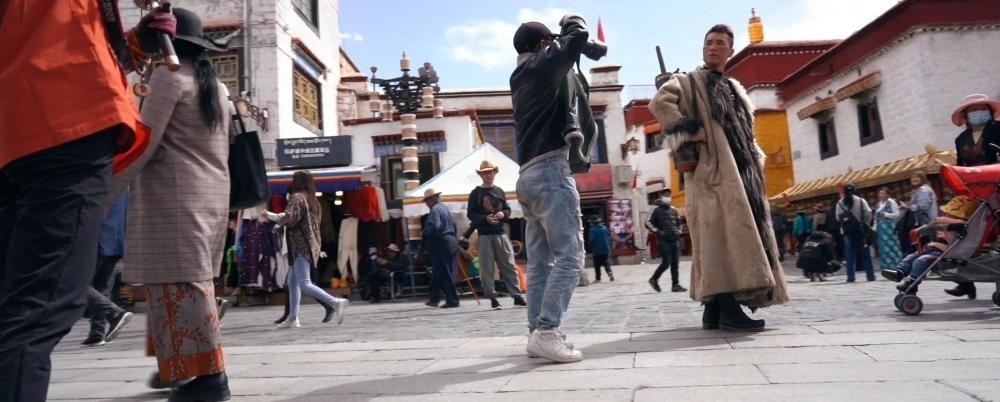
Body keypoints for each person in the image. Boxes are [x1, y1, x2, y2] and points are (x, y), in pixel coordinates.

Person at [0, 2, 174, 400]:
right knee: (36, 309)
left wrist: (133, 45)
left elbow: (49, 39)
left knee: (15, 302)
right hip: (68, 124)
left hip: (15, 129)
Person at [107, 8, 241, 399]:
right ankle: (176, 368)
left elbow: (143, 142)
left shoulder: (168, 77)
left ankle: (211, 378)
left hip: (175, 195)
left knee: (182, 284)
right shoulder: (214, 85)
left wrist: (104, 194)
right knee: (176, 283)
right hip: (211, 193)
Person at [649, 24, 788, 332]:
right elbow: (660, 102)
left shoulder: (734, 89)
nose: (712, 47)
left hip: (740, 176)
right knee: (717, 238)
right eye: (708, 42)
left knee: (724, 238)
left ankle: (712, 311)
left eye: (719, 43)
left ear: (730, 51)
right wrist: (687, 129)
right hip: (711, 175)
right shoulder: (689, 80)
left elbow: (744, 132)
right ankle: (728, 310)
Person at [510, 14, 596, 362]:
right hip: (550, 173)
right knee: (571, 256)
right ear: (543, 45)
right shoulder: (543, 66)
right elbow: (578, 36)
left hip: (527, 176)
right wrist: (570, 21)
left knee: (540, 263)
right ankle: (547, 331)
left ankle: (537, 333)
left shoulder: (519, 76)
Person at [263, 171, 349, 327]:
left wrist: (270, 216)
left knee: (304, 283)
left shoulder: (297, 198)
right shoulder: (313, 200)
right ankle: (292, 318)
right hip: (310, 243)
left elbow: (290, 219)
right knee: (292, 282)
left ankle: (335, 302)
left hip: (299, 245)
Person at [946, 94, 1000, 299]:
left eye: (982, 108)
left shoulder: (998, 129)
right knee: (957, 229)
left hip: (996, 184)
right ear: (966, 115)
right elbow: (960, 166)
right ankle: (964, 282)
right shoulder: (961, 139)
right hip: (972, 188)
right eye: (973, 110)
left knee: (992, 233)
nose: (979, 112)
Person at [881, 195, 980, 294]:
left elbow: (959, 223)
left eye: (950, 214)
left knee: (920, 261)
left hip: (946, 252)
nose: (947, 215)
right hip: (935, 249)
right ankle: (900, 272)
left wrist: (940, 221)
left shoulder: (963, 224)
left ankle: (911, 283)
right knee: (911, 257)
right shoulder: (952, 223)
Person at [466, 160, 526, 310]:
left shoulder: (499, 191)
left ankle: (516, 295)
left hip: (501, 233)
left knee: (509, 265)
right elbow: (470, 214)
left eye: (490, 172)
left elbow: (507, 210)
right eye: (485, 173)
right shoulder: (475, 193)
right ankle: (492, 298)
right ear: (481, 175)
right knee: (487, 268)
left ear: (494, 173)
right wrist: (484, 219)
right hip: (484, 235)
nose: (488, 175)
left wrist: (503, 214)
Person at [81, 189, 134, 347]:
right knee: (101, 288)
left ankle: (114, 313)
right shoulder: (123, 185)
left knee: (75, 283)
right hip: (116, 242)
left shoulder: (99, 182)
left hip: (98, 239)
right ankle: (97, 334)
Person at [421, 189, 461, 308]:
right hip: (451, 240)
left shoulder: (435, 210)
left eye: (427, 201)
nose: (426, 204)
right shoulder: (446, 209)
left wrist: (425, 233)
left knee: (443, 272)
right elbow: (454, 225)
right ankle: (434, 298)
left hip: (440, 242)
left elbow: (435, 226)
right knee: (439, 271)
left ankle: (452, 300)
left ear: (432, 199)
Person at [647, 191, 686, 292]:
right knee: (666, 263)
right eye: (665, 195)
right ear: (661, 196)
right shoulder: (655, 209)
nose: (667, 197)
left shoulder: (674, 209)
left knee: (675, 263)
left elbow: (679, 222)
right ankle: (654, 279)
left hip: (675, 239)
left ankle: (675, 285)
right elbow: (648, 222)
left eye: (669, 195)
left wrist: (679, 231)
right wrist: (659, 232)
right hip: (664, 240)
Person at [836, 183, 875, 282]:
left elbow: (838, 217)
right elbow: (868, 213)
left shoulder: (840, 203)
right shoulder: (861, 200)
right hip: (861, 230)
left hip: (848, 232)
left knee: (850, 256)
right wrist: (865, 223)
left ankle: (851, 276)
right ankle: (870, 276)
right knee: (866, 254)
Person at [873, 187, 903, 270]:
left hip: (889, 227)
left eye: (883, 193)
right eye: (880, 194)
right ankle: (886, 265)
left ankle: (896, 264)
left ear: (888, 194)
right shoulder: (878, 204)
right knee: (882, 247)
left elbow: (897, 214)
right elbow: (875, 217)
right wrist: (874, 228)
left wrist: (887, 214)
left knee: (892, 246)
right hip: (880, 227)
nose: (881, 195)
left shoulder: (891, 202)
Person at [588, 217, 614, 282]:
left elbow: (591, 240)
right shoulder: (604, 228)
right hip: (606, 249)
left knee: (597, 264)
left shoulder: (592, 230)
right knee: (606, 262)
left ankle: (598, 278)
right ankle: (609, 272)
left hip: (597, 250)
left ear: (593, 223)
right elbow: (608, 236)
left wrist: (590, 244)